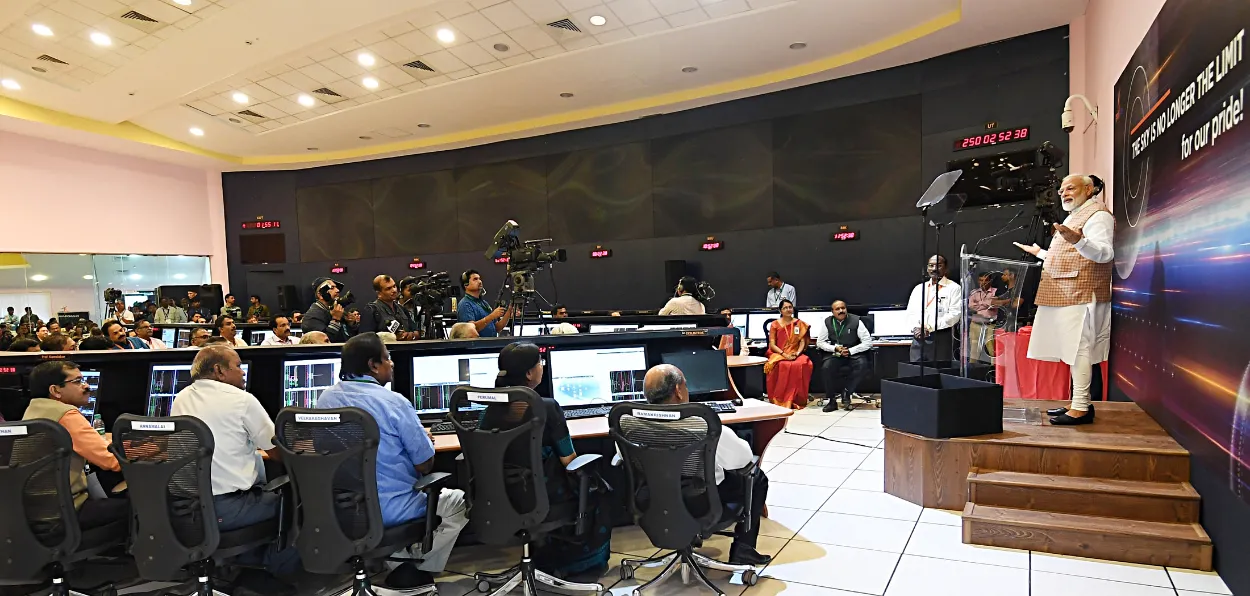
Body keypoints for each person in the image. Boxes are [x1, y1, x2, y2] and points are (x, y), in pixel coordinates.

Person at [314, 334, 468, 589]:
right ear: (374, 365)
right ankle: (415, 567)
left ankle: (397, 563)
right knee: (460, 503)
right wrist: (422, 441)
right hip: (392, 510)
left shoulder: (325, 400)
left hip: (341, 508)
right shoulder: (394, 402)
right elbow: (425, 464)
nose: (392, 363)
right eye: (388, 357)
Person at [169, 346, 296, 594]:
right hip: (229, 508)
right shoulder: (242, 400)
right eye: (238, 366)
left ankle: (237, 567)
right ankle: (268, 573)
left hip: (188, 509)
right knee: (300, 499)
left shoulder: (182, 396)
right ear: (219, 370)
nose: (244, 373)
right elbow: (278, 451)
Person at [480, 342, 612, 579]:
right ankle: (579, 565)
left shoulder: (488, 410)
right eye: (539, 363)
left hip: (500, 497)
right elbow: (569, 460)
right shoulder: (547, 408)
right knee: (597, 488)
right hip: (541, 498)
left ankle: (543, 557)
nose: (542, 366)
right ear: (530, 374)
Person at [641, 364, 771, 566]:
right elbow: (744, 458)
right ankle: (743, 549)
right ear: (678, 391)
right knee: (756, 476)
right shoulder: (703, 425)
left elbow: (620, 457)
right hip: (699, 502)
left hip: (652, 499)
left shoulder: (629, 422)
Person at [1014, 174, 1113, 425]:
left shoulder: (1098, 215)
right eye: (1061, 190)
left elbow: (1104, 254)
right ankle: (1077, 402)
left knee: (1079, 350)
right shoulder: (1075, 215)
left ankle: (1081, 407)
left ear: (1089, 189)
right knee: (1071, 350)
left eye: (1071, 188)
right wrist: (1040, 253)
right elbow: (1068, 258)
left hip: (1081, 293)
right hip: (1064, 292)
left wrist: (1078, 239)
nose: (1063, 193)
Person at [23, 361, 128, 530]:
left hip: (36, 512)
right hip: (66, 511)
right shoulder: (66, 415)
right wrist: (154, 449)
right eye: (78, 381)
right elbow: (113, 462)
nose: (86, 386)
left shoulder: (34, 409)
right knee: (143, 505)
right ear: (55, 390)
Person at [815, 301, 873, 412]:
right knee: (826, 367)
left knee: (863, 365)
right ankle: (832, 401)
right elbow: (820, 342)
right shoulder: (827, 322)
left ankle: (847, 391)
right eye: (837, 309)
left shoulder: (856, 321)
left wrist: (850, 351)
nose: (841, 311)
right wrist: (835, 348)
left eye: (843, 308)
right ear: (832, 312)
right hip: (836, 353)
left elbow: (868, 342)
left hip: (853, 352)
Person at [905, 255, 962, 363]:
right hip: (918, 337)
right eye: (931, 266)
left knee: (937, 373)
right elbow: (911, 312)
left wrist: (929, 327)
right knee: (915, 372)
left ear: (945, 268)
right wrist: (917, 328)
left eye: (939, 265)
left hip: (940, 337)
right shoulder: (919, 288)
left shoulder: (954, 288)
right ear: (927, 268)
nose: (934, 269)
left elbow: (954, 315)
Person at [764, 299, 812, 409]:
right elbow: (772, 345)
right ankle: (780, 399)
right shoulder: (775, 324)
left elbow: (802, 341)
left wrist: (797, 353)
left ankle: (797, 399)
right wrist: (784, 355)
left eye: (790, 307)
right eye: (785, 308)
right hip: (778, 352)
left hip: (796, 353)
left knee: (803, 363)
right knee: (783, 365)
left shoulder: (799, 323)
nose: (788, 309)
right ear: (780, 310)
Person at [359, 275, 420, 340]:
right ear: (379, 293)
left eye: (394, 286)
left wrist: (410, 335)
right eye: (388, 288)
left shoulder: (402, 309)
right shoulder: (371, 310)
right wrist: (392, 337)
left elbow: (416, 332)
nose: (394, 290)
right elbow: (365, 339)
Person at [457, 270, 512, 338]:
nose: (480, 281)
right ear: (466, 285)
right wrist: (492, 316)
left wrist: (509, 310)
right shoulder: (465, 304)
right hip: (477, 347)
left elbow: (497, 328)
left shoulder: (484, 303)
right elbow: (470, 330)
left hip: (490, 345)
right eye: (475, 279)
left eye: (479, 279)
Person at [303, 278, 352, 342]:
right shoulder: (311, 317)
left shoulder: (336, 311)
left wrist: (352, 324)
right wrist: (335, 320)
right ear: (320, 295)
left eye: (336, 287)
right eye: (332, 288)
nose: (337, 290)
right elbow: (324, 343)